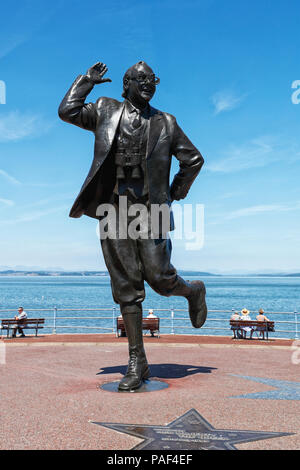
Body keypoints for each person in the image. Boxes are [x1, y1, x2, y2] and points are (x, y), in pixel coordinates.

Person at [59, 60, 207, 391]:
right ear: (125, 84)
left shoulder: (166, 122)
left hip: (151, 210)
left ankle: (193, 291)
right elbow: (68, 112)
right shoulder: (104, 110)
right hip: (114, 209)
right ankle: (137, 361)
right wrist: (86, 82)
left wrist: (175, 191)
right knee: (125, 286)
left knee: (159, 278)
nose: (148, 84)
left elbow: (193, 159)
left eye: (152, 80)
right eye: (140, 80)